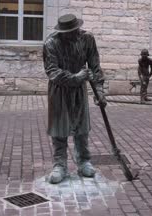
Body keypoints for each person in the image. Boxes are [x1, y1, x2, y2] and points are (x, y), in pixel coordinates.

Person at [43, 14, 106, 184]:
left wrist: (99, 91)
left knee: (81, 128)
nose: (71, 35)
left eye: (73, 31)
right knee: (59, 128)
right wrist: (76, 77)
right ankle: (60, 165)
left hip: (78, 91)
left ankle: (84, 161)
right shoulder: (51, 43)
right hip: (59, 90)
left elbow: (95, 66)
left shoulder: (87, 39)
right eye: (68, 33)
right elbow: (52, 72)